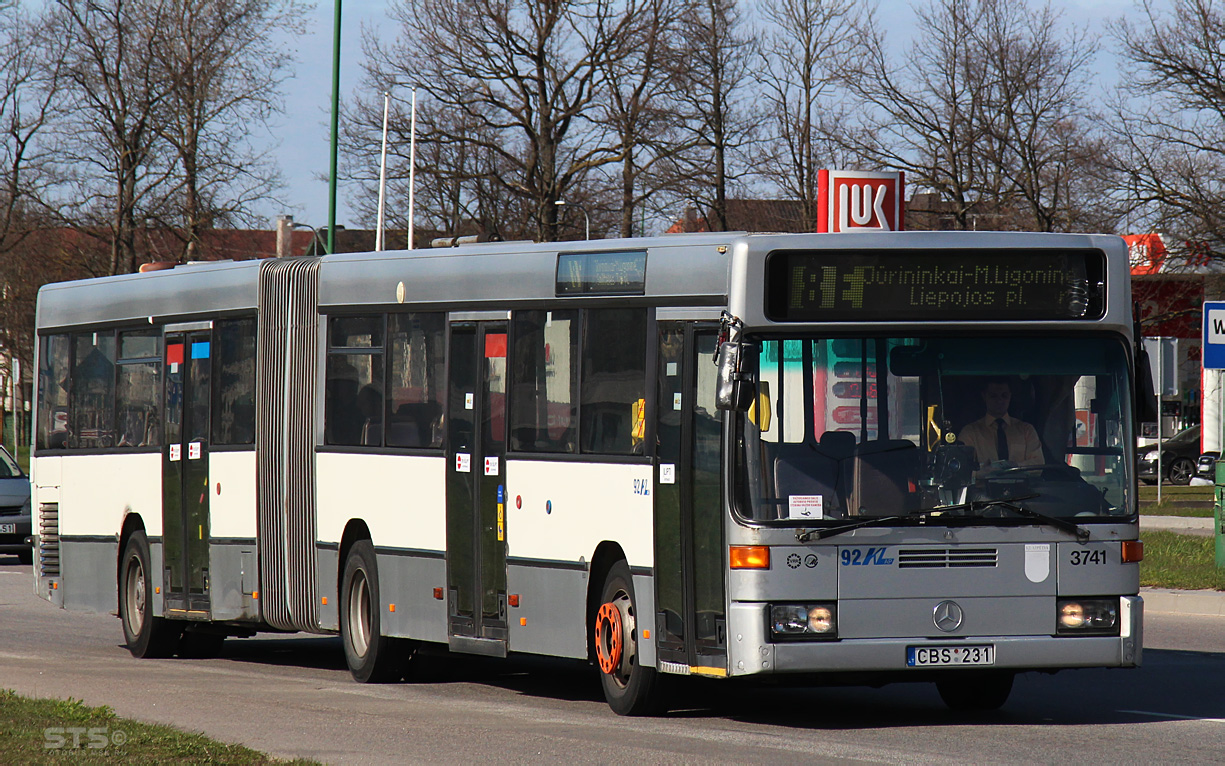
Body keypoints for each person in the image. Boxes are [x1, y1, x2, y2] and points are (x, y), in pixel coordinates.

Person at [959, 378, 1044, 472]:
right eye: (993, 396)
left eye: (1004, 396)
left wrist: (1014, 466)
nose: (999, 401)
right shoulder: (970, 433)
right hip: (982, 486)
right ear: (984, 396)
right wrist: (983, 472)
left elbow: (1038, 464)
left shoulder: (1026, 430)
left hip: (1022, 485)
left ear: (1010, 396)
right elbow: (961, 469)